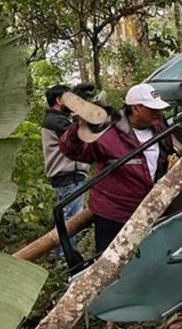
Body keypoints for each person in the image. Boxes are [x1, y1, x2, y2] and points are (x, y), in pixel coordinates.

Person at [59, 83, 174, 253]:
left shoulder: (158, 127)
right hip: (114, 214)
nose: (158, 113)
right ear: (136, 108)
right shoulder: (107, 132)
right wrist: (80, 122)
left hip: (150, 208)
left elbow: (165, 155)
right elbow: (72, 150)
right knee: (112, 263)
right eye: (152, 109)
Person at [42, 84, 91, 257]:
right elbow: (81, 134)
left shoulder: (58, 118)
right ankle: (65, 259)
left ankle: (60, 256)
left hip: (69, 176)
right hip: (68, 177)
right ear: (58, 100)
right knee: (71, 221)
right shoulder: (56, 121)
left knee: (66, 218)